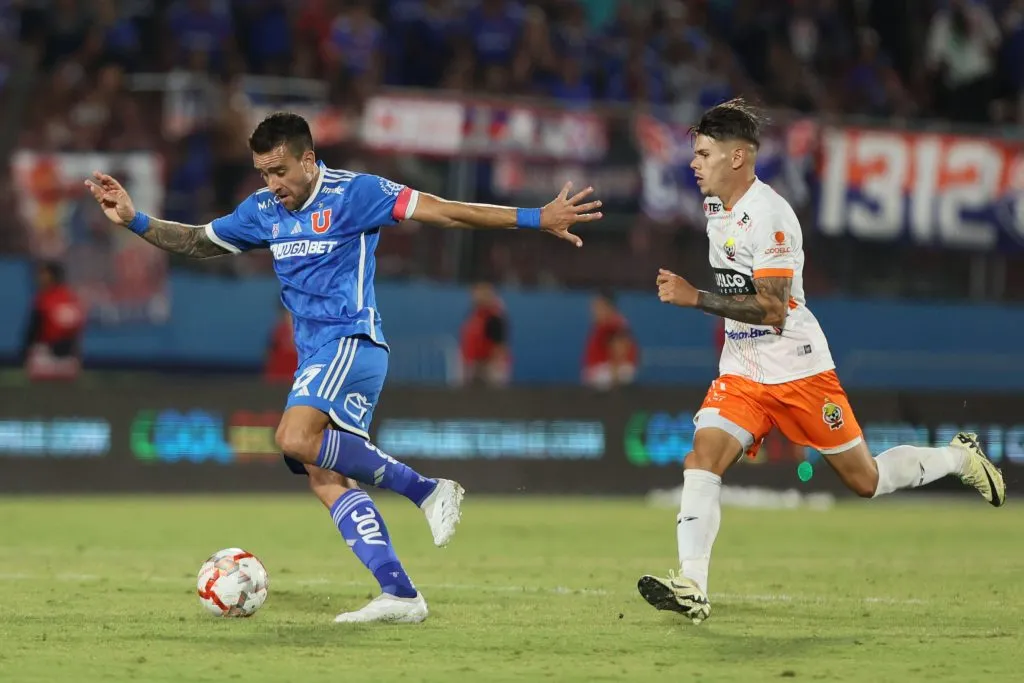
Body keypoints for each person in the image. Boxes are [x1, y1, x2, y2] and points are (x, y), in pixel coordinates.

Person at [86, 112, 603, 624]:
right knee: (325, 476)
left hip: (351, 340)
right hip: (315, 354)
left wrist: (535, 218)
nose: (272, 184)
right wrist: (134, 220)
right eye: (263, 173)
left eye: (280, 171)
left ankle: (426, 490)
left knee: (293, 437)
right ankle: (400, 593)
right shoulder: (263, 210)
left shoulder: (356, 193)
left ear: (308, 159)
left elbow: (445, 212)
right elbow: (199, 240)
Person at [637, 99, 1005, 625]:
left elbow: (773, 310)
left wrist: (695, 297)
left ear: (737, 157)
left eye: (704, 154)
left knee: (865, 480)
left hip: (797, 369)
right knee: (702, 458)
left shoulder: (771, 217)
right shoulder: (716, 207)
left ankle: (958, 458)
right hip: (741, 370)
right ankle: (692, 585)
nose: (693, 164)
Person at [22, 261, 85, 381]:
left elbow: (34, 330)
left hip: (46, 357)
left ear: (53, 276)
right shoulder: (72, 297)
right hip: (68, 359)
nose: (39, 278)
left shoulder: (45, 299)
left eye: (43, 274)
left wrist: (25, 351)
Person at [581, 290, 638, 389]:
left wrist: (613, 380)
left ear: (608, 307)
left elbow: (621, 350)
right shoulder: (602, 325)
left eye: (598, 307)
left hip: (610, 377)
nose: (594, 311)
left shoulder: (614, 324)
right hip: (604, 376)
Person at [458, 282, 510, 387]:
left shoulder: (494, 318)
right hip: (474, 363)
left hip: (489, 365)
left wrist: (492, 365)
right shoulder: (474, 316)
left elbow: (499, 345)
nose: (475, 297)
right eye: (474, 294)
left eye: (480, 294)